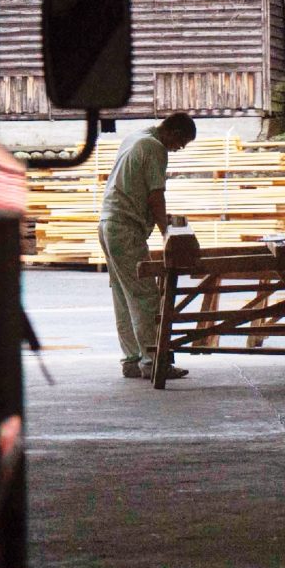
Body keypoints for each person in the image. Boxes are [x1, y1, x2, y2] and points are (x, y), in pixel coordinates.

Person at [98, 112, 197, 380]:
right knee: (145, 296)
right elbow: (155, 196)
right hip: (126, 228)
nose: (178, 149)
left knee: (123, 295)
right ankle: (155, 361)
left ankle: (132, 360)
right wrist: (169, 235)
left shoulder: (135, 137)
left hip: (108, 222)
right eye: (181, 143)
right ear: (173, 133)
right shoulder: (155, 148)